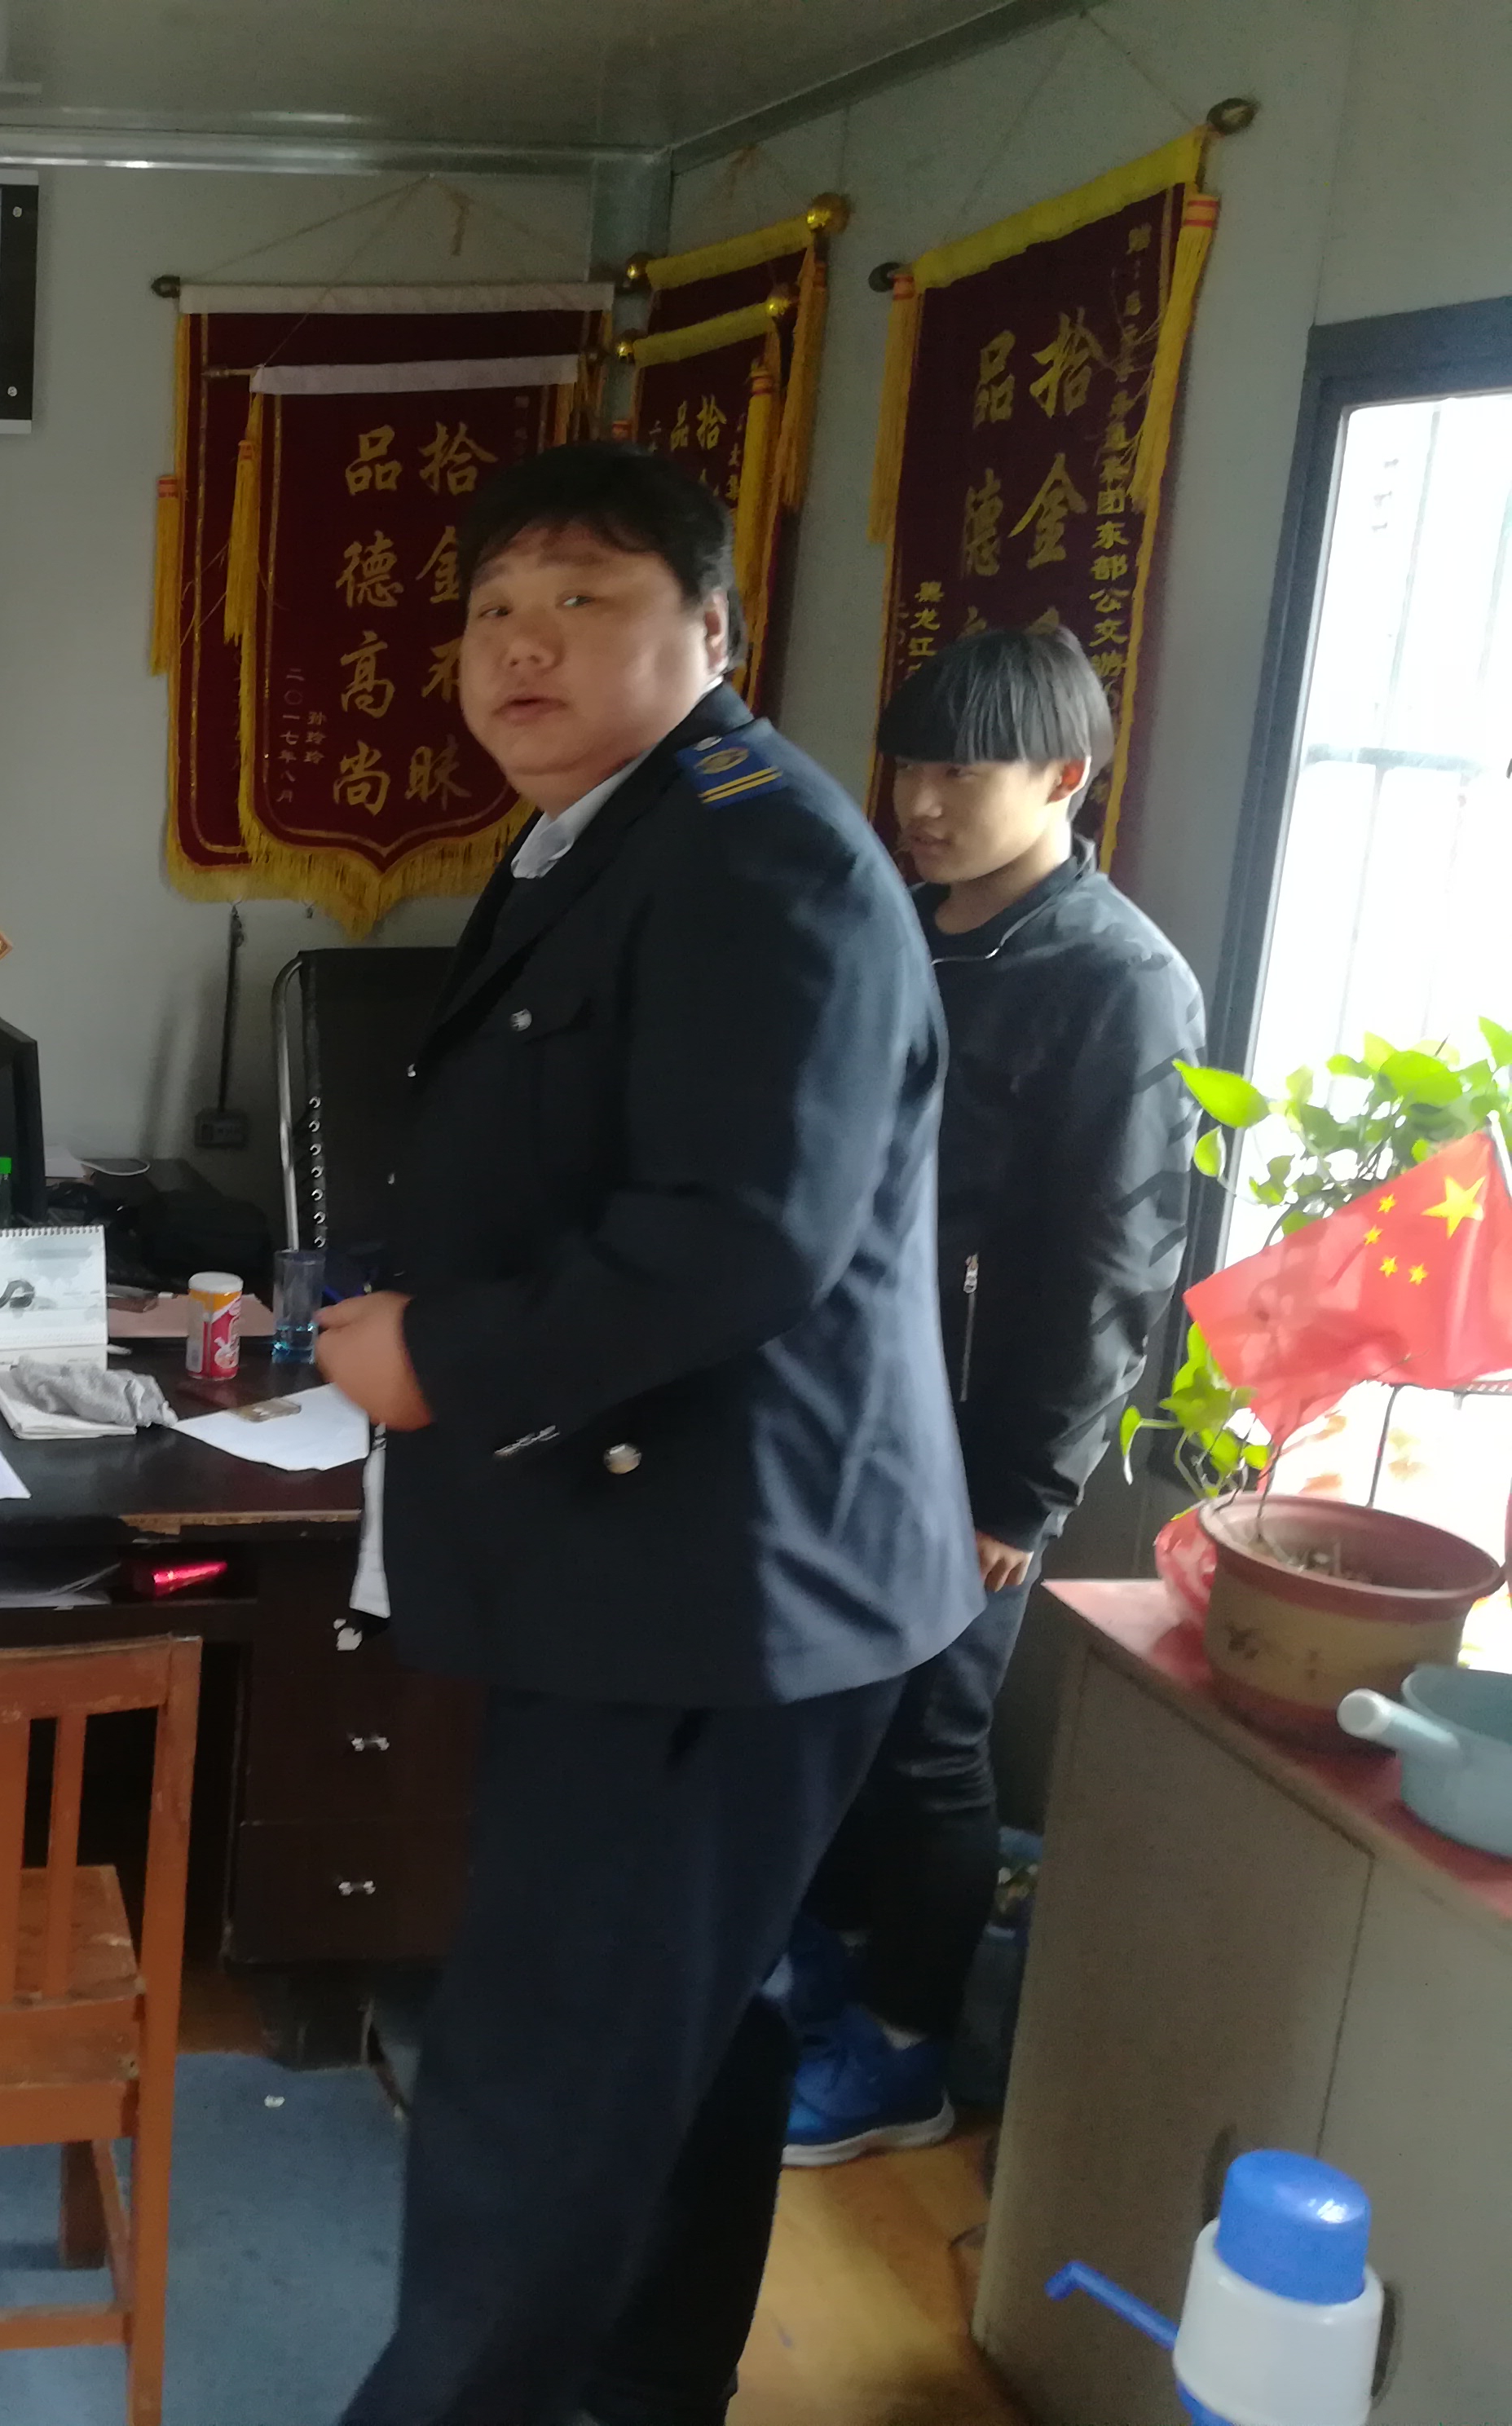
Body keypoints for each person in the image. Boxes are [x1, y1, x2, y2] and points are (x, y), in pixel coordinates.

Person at [312, 441, 978, 2426]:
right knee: (669, 2050)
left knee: (542, 2084)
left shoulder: (758, 860)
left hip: (711, 1586)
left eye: (583, 601)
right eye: (491, 611)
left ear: (711, 628)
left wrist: (445, 1355)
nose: (520, 647)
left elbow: (737, 1237)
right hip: (677, 1563)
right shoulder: (620, 830)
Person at [782, 629, 1203, 2164]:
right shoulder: (906, 925)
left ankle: (906, 2057)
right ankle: (830, 1984)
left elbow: (1117, 1266)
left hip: (975, 1447)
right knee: (836, 1713)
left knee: (934, 1739)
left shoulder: (1119, 979)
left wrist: (1025, 1491)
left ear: (1065, 777)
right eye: (909, 764)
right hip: (846, 1409)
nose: (922, 801)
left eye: (964, 771)